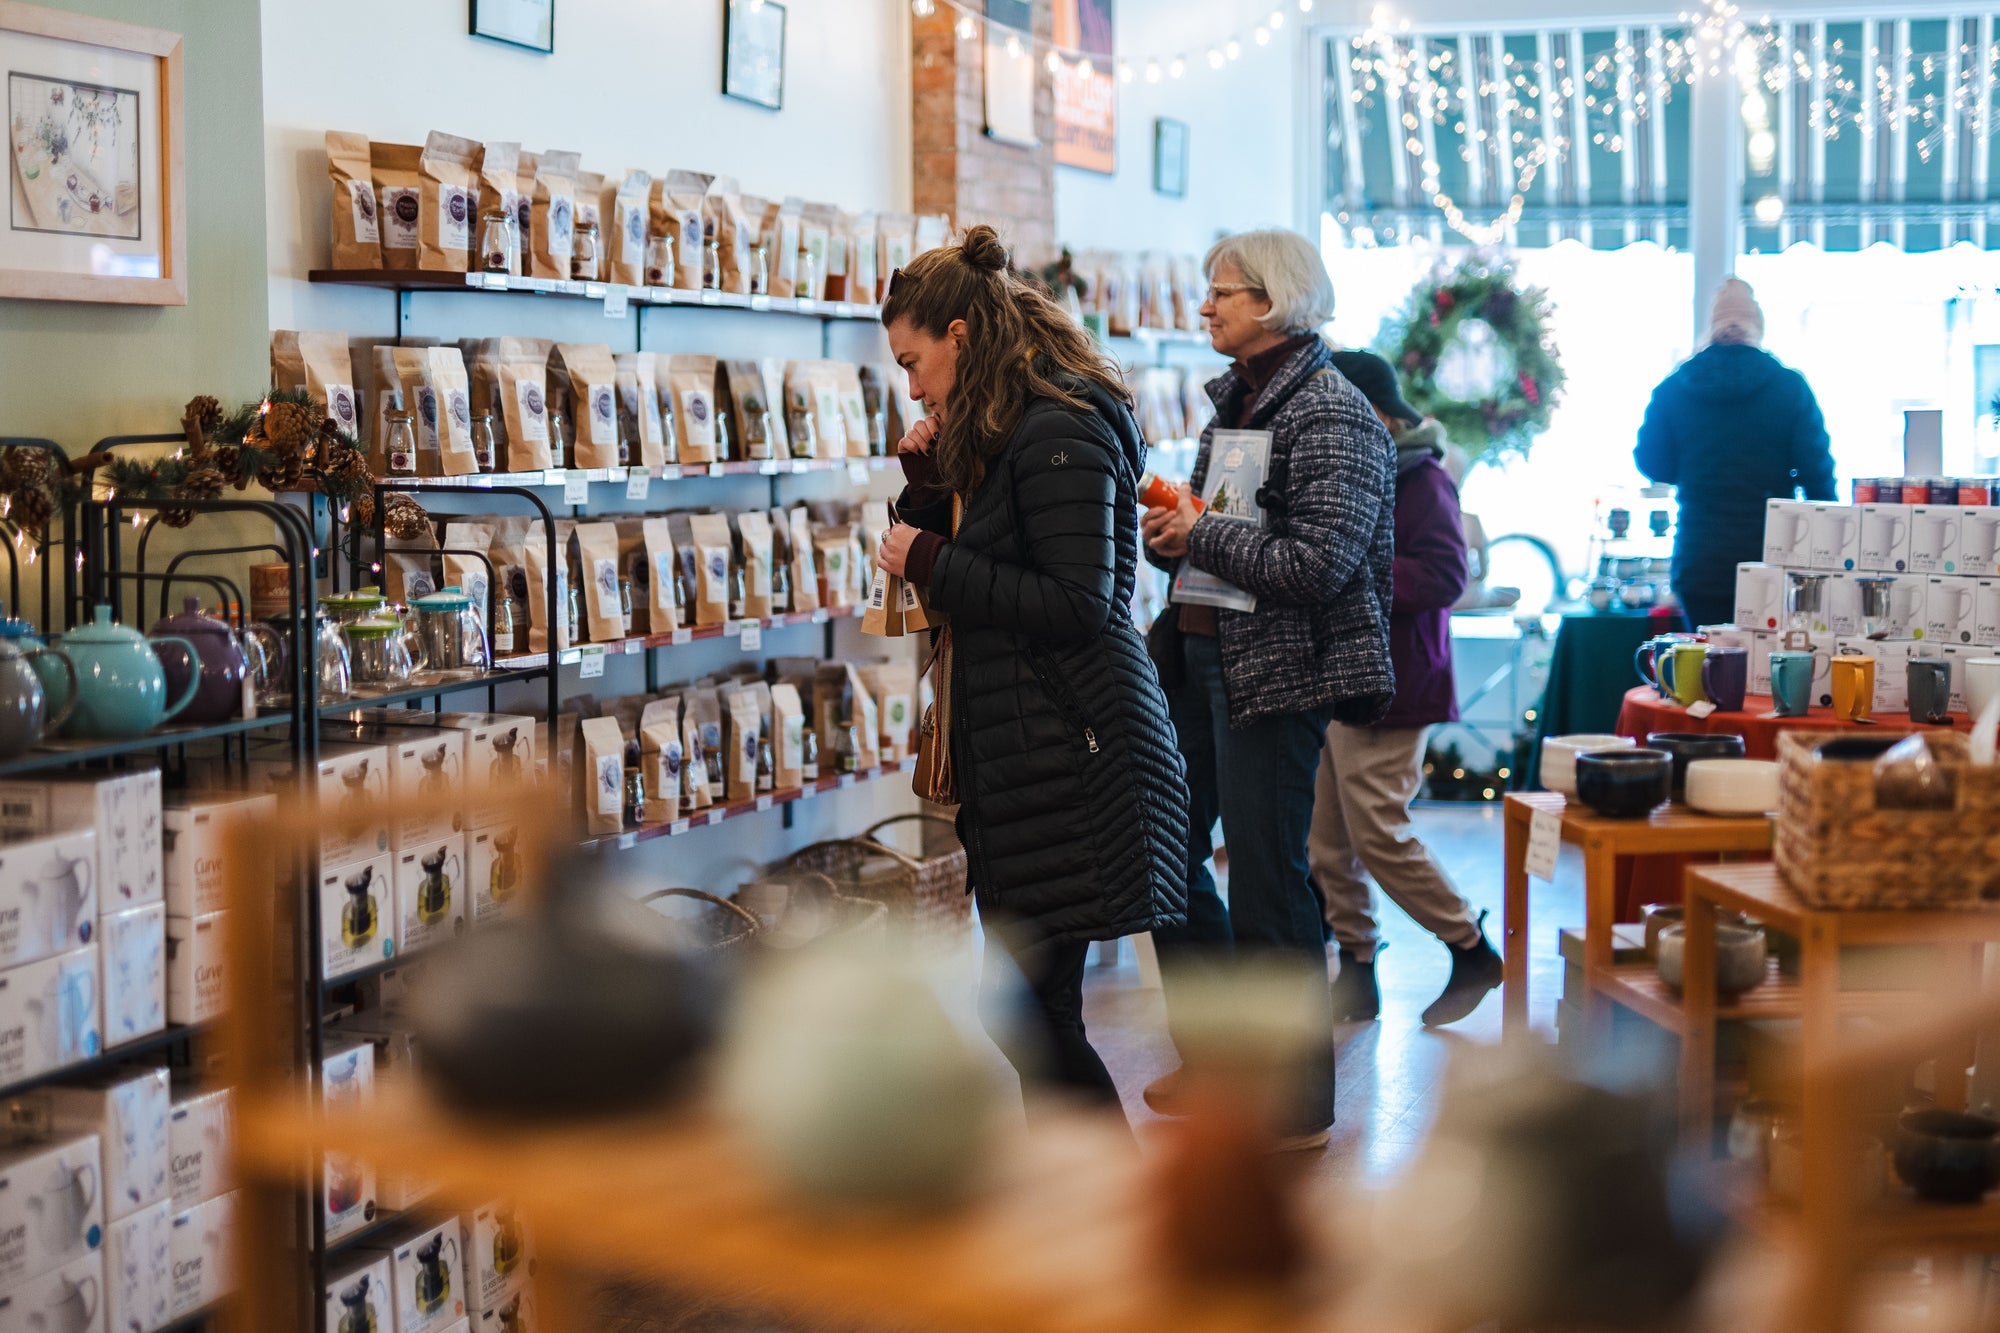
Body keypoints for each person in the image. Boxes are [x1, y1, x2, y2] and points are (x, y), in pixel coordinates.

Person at [874, 225, 1189, 1122]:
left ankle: (1099, 1195)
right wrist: (928, 484)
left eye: (913, 362)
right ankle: (1091, 1194)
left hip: (1076, 755)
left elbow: (1079, 601)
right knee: (1028, 1012)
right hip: (1033, 759)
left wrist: (933, 560)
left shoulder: (1059, 427)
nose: (912, 387)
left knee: (1026, 1014)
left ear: (960, 335)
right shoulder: (1005, 427)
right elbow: (1002, 552)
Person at [1138, 229, 1396, 1149]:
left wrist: (1199, 532)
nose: (1205, 306)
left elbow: (1320, 565)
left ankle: (1295, 1105)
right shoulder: (1238, 404)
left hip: (1278, 676)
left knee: (1267, 885)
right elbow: (1215, 535)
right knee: (1161, 853)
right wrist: (1172, 534)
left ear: (1275, 300)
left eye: (1223, 291)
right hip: (1198, 659)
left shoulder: (1333, 413)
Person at [1311, 349, 1501, 1027]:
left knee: (1379, 833)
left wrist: (1348, 565)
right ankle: (1357, 965)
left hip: (1394, 683)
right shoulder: (1357, 470)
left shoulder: (1421, 478)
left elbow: (1447, 576)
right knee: (1327, 840)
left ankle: (1469, 945)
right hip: (1339, 675)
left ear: (1378, 415)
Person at [1635, 277, 1836, 629]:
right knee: (1769, 659)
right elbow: (1817, 476)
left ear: (1713, 326)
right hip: (1771, 555)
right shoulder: (1789, 387)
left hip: (1700, 559)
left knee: (1708, 659)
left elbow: (1651, 462)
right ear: (1756, 326)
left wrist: (1695, 467)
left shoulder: (1675, 387)